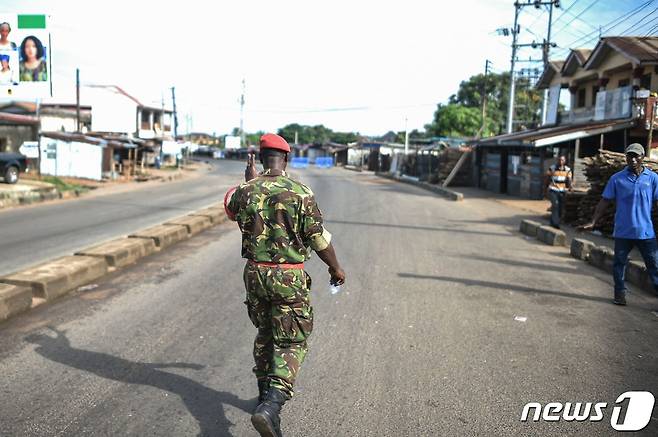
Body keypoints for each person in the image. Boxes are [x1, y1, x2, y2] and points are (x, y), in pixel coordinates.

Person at [225, 133, 345, 437]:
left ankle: (264, 397)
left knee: (265, 332)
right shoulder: (301, 193)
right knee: (292, 340)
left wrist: (249, 182)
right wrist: (336, 267)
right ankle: (272, 405)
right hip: (287, 277)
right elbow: (318, 239)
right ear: (287, 159)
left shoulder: (246, 190)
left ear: (261, 159)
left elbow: (230, 209)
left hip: (255, 274)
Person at [581, 143, 658, 305]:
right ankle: (619, 294)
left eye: (637, 156)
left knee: (654, 266)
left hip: (646, 232)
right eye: (630, 155)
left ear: (643, 157)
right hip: (623, 231)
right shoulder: (617, 179)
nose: (633, 159)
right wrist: (593, 221)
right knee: (619, 264)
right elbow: (604, 201)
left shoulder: (652, 179)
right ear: (626, 157)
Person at [545, 155, 572, 228]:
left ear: (565, 161)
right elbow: (547, 178)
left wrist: (569, 187)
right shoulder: (552, 168)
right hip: (553, 189)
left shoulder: (567, 170)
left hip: (562, 191)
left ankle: (552, 221)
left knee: (560, 207)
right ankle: (556, 223)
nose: (561, 162)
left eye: (562, 160)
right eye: (559, 160)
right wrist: (546, 187)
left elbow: (569, 179)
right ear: (557, 160)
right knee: (555, 205)